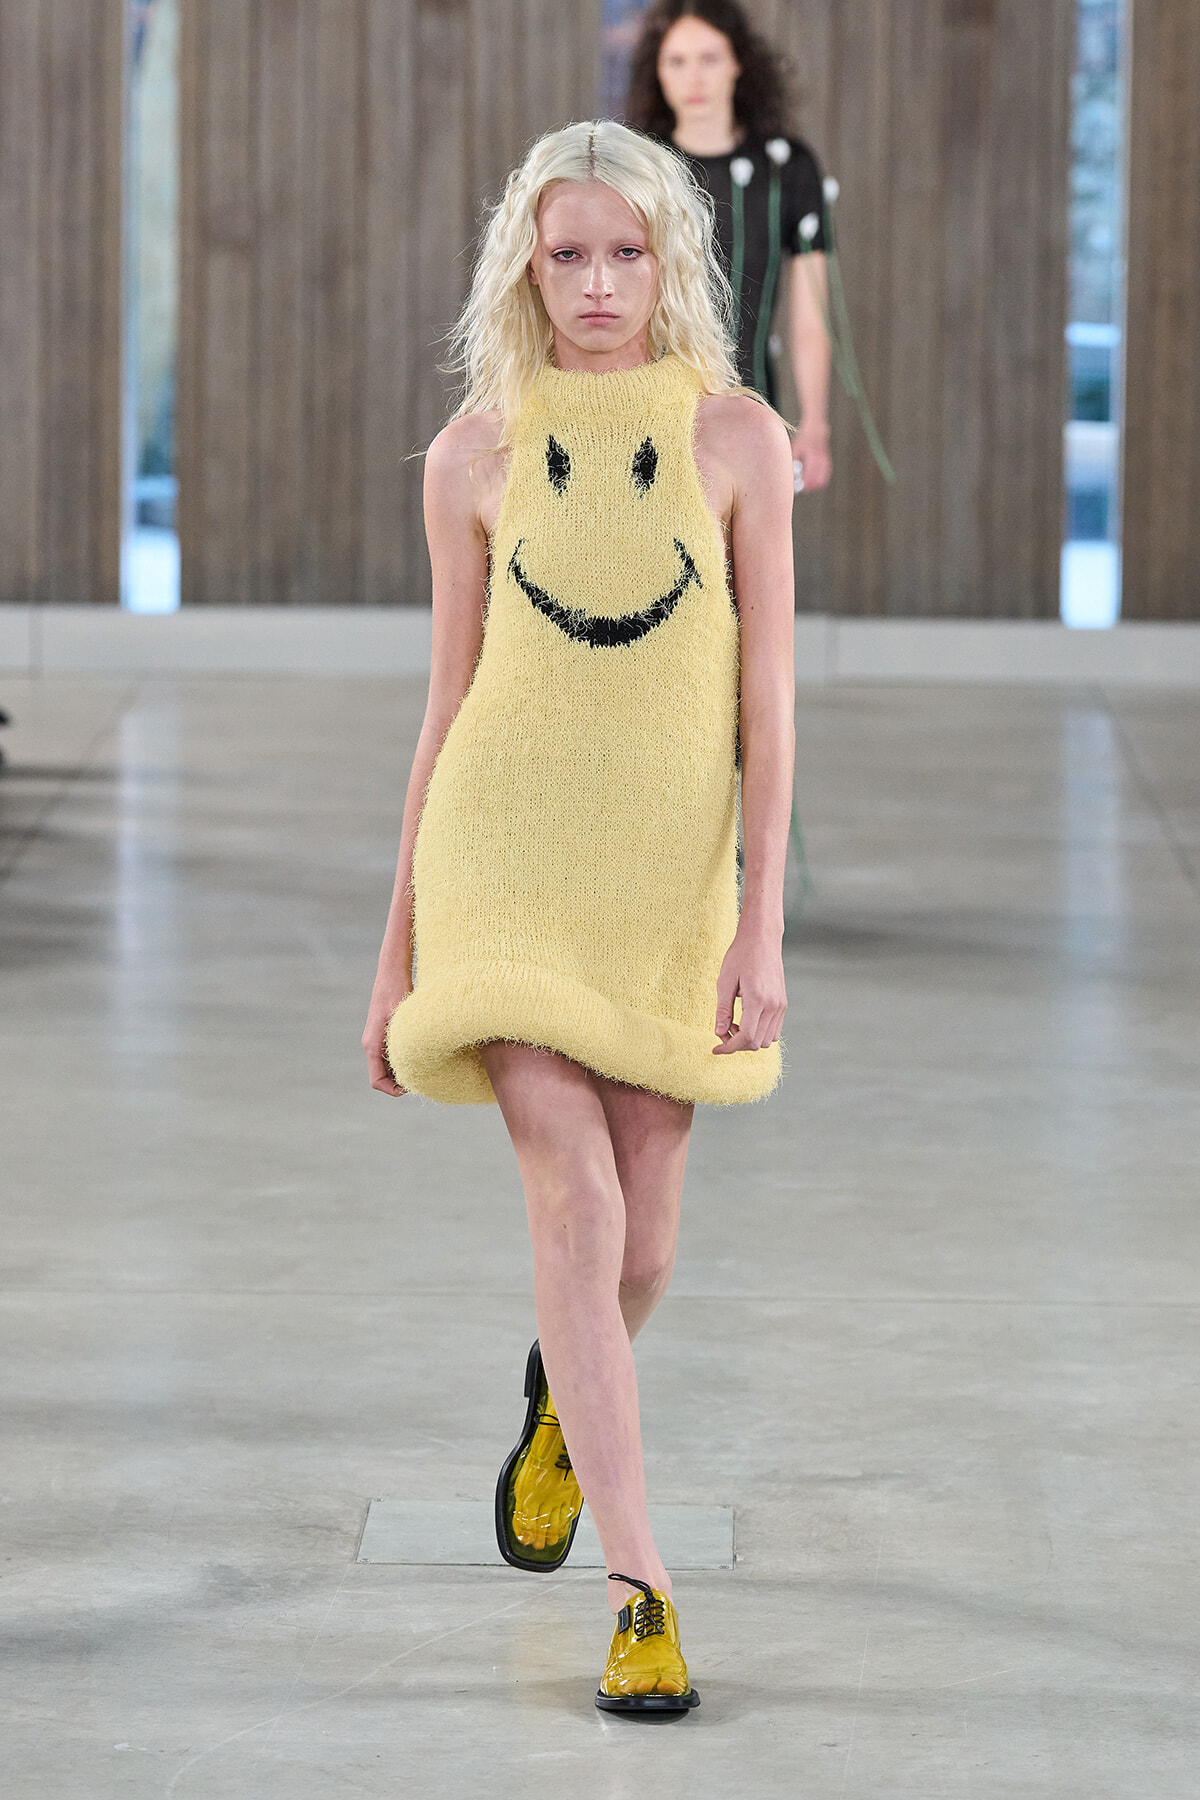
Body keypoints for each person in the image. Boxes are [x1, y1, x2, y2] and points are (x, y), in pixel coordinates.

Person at [362, 120, 794, 1716]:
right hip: (507, 863)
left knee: (650, 1241)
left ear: (667, 258)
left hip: (669, 883)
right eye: (567, 255)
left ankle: (561, 1404)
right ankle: (642, 1589)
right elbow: (445, 705)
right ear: (524, 269)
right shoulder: (475, 451)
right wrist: (397, 953)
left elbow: (767, 699)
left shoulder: (733, 439)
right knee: (577, 1210)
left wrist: (759, 925)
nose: (599, 285)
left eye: (626, 252)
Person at [626, 0, 832, 494]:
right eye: (677, 61)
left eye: (709, 58)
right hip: (645, 419)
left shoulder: (788, 171)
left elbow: (811, 317)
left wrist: (816, 422)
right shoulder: (636, 166)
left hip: (754, 411)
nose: (693, 77)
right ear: (657, 71)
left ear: (738, 62)